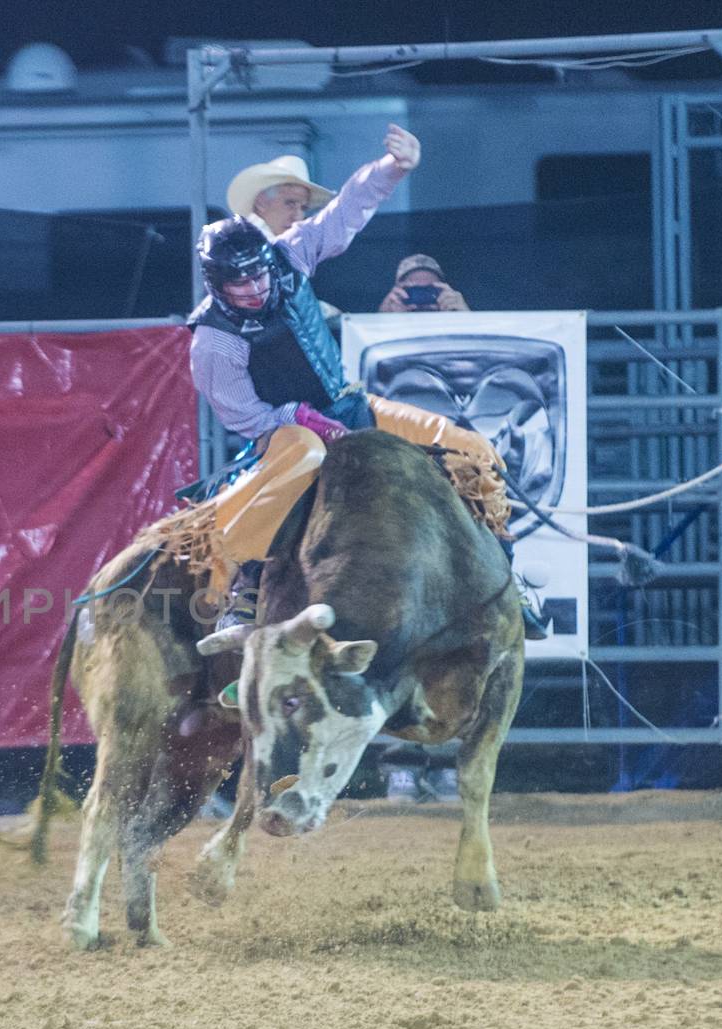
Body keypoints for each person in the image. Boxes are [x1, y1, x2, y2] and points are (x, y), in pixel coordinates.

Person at [183, 129, 547, 643]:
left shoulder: (288, 257)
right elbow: (242, 415)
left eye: (258, 276)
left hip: (350, 405)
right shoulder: (214, 342)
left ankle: (505, 575)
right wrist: (297, 417)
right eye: (239, 283)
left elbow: (342, 215)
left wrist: (391, 169)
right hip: (287, 431)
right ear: (216, 284)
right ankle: (246, 590)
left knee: (471, 449)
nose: (255, 289)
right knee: (304, 457)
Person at [379, 252, 469, 313]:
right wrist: (383, 318)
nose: (422, 297)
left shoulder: (454, 324)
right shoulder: (390, 326)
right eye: (414, 290)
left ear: (444, 292)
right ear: (398, 293)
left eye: (429, 290)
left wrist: (465, 317)